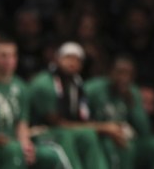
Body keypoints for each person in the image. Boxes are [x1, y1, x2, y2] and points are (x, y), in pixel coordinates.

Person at [0, 38, 65, 169]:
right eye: (3, 56)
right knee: (12, 150)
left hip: (12, 141)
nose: (9, 60)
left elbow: (22, 124)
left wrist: (26, 145)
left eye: (13, 55)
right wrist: (8, 142)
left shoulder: (21, 87)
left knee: (49, 156)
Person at [28, 41, 118, 169]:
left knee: (89, 135)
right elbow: (56, 122)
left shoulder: (77, 84)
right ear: (57, 59)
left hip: (66, 129)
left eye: (77, 59)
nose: (72, 62)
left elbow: (82, 118)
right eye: (68, 57)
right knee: (67, 136)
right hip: (41, 132)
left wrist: (99, 128)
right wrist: (101, 127)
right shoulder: (44, 83)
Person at [84, 56, 154, 169]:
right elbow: (81, 118)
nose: (124, 78)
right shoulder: (93, 89)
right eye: (120, 73)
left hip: (128, 139)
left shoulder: (133, 92)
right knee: (123, 146)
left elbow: (145, 130)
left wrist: (133, 105)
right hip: (103, 138)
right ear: (110, 72)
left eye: (129, 74)